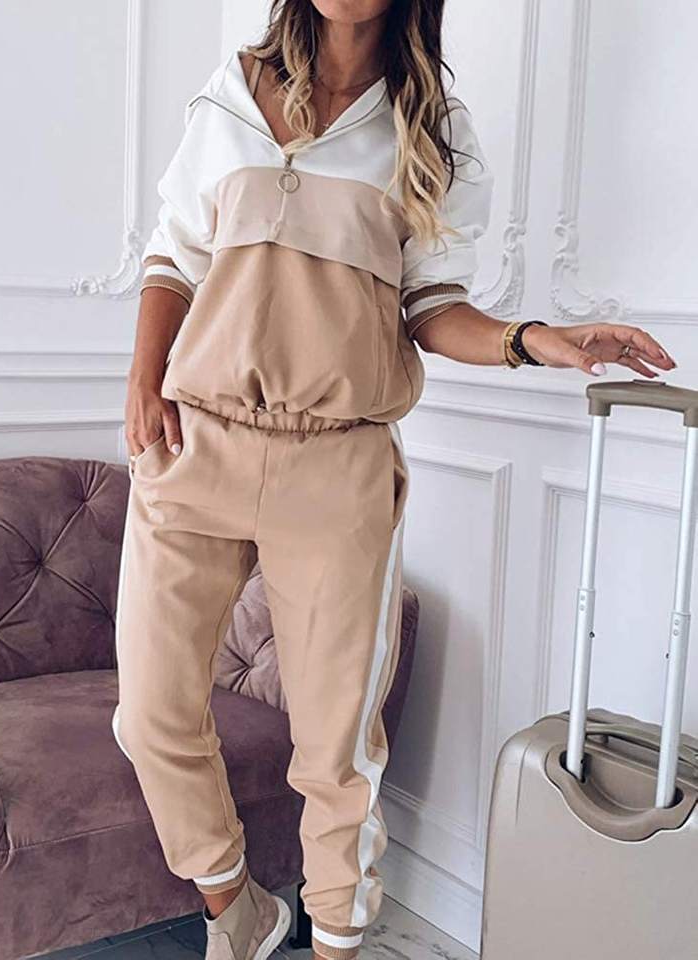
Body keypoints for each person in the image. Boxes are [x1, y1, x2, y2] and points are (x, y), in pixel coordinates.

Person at [111, 2, 677, 958]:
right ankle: (235, 907)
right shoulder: (233, 92)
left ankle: (337, 942)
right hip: (195, 440)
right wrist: (141, 379)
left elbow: (431, 305)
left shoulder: (431, 129)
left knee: (336, 748)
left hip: (336, 464)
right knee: (149, 716)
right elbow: (176, 253)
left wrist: (530, 340)